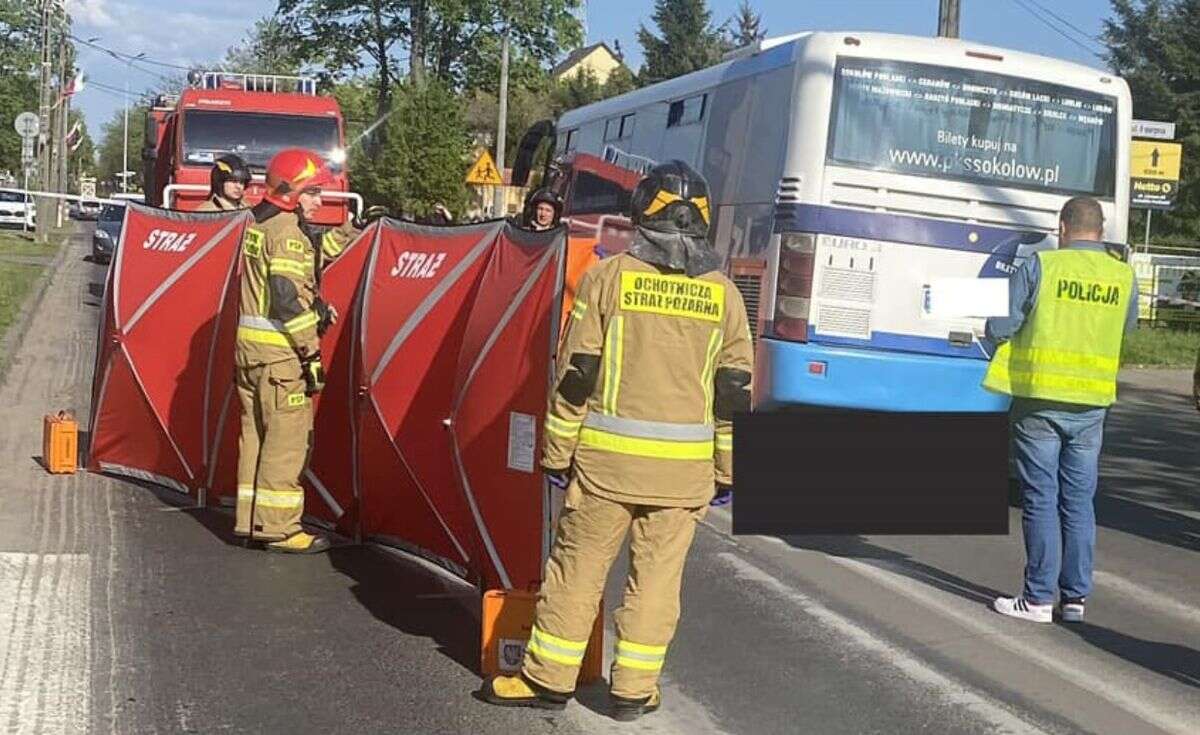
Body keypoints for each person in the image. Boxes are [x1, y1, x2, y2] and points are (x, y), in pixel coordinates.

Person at [479, 161, 753, 720]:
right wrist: (727, 471)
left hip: (605, 467)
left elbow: (576, 371)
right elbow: (734, 393)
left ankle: (548, 679)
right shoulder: (724, 295)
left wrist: (556, 453)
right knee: (656, 583)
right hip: (683, 476)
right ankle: (632, 691)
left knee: (577, 571)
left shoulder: (609, 278)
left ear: (641, 215)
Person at [983, 196, 1138, 623]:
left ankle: (1035, 599)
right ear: (1101, 231)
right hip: (1092, 406)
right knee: (1079, 500)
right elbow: (1128, 328)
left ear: (1062, 228)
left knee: (1041, 497)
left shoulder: (1042, 266)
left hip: (1040, 401)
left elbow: (1002, 324)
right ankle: (1074, 600)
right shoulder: (1124, 277)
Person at [234, 148, 343, 554]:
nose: (319, 200)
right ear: (291, 192)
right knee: (286, 441)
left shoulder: (257, 224)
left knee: (255, 438)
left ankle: (250, 520)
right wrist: (311, 353)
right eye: (313, 192)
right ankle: (280, 530)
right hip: (281, 357)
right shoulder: (288, 235)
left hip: (249, 354)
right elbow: (285, 298)